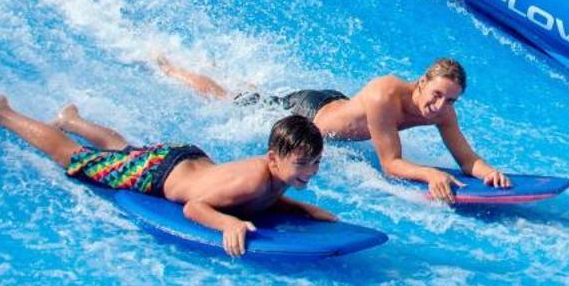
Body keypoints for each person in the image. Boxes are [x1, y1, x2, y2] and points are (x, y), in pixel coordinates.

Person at [0, 95, 334, 256]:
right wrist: (226, 226)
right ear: (273, 158)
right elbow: (195, 207)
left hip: (186, 160)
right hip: (162, 174)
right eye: (303, 164)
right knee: (74, 159)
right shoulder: (251, 178)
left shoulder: (275, 176)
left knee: (125, 152)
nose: (310, 172)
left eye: (315, 163)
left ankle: (73, 120)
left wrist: (307, 212)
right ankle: (1, 113)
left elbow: (263, 199)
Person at [156, 55, 510, 201]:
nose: (440, 107)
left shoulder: (443, 112)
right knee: (228, 100)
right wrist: (430, 174)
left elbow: (466, 158)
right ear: (421, 83)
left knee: (254, 97)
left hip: (340, 105)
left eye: (450, 101)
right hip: (311, 113)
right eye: (436, 96)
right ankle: (174, 70)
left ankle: (248, 87)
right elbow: (390, 163)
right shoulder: (386, 94)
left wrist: (487, 171)